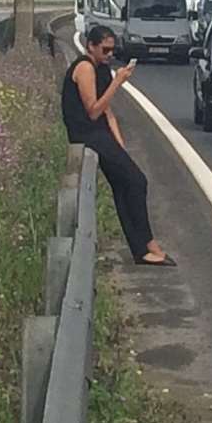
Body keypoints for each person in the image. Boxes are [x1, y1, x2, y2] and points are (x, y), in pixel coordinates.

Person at [62, 24, 175, 266]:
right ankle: (147, 245)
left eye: (112, 50)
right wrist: (118, 83)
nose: (109, 55)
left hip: (101, 133)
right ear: (90, 46)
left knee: (125, 184)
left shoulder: (102, 69)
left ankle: (142, 249)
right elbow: (93, 111)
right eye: (105, 50)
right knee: (137, 181)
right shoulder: (84, 67)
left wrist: (120, 145)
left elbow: (108, 113)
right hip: (86, 133)